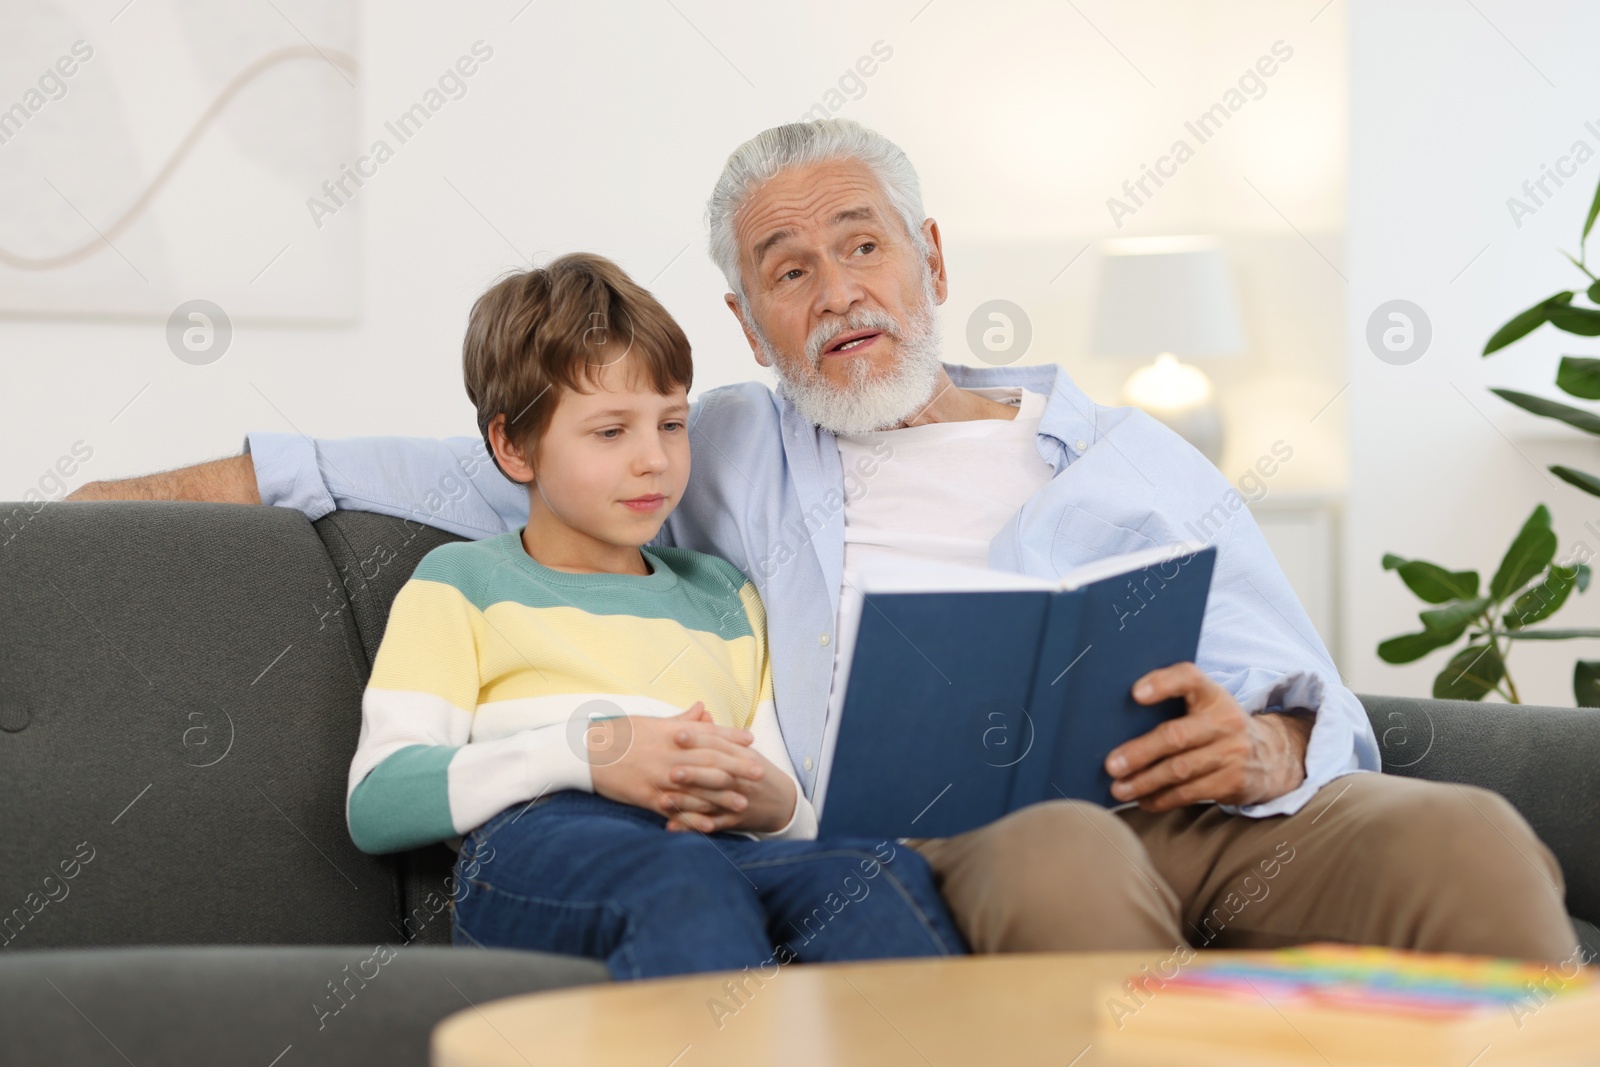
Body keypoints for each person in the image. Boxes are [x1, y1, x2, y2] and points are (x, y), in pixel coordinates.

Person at [72, 118, 1579, 962]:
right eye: (787, 269)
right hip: (982, 835)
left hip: (1217, 812)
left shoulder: (1132, 452)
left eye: (862, 243)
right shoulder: (708, 442)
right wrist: (111, 506)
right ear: (747, 319)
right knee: (1060, 854)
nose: (838, 288)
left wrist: (1266, 743)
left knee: (1460, 834)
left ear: (928, 259)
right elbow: (419, 464)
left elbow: (1298, 678)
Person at [342, 251, 966, 979]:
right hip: (544, 842)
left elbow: (777, 797)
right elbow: (379, 797)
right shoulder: (462, 581)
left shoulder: (722, 594)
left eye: (671, 424)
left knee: (875, 875)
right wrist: (592, 753)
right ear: (514, 446)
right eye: (611, 432)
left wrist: (773, 802)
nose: (654, 461)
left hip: (719, 844)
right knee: (679, 881)